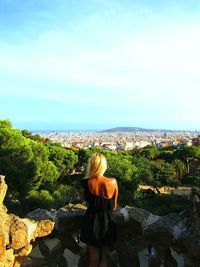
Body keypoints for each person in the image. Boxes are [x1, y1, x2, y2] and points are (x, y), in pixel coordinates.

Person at [80, 153, 118, 267]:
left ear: (91, 165)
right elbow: (114, 205)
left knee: (93, 260)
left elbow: (86, 202)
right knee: (104, 258)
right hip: (108, 222)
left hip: (91, 221)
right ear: (104, 166)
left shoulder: (86, 183)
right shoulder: (113, 182)